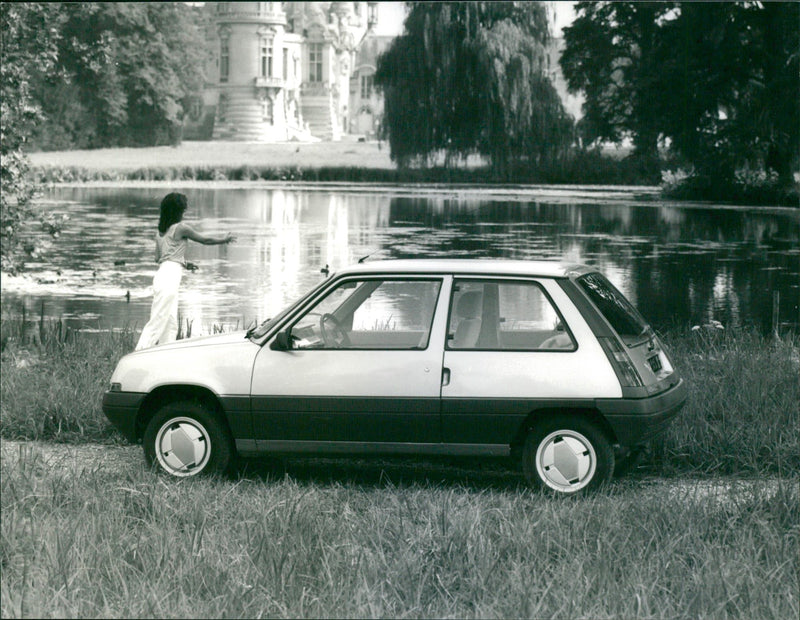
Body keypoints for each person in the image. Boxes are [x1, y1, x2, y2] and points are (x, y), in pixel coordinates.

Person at [135, 192, 236, 350]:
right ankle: (137, 356)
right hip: (169, 277)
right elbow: (205, 240)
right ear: (177, 211)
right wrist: (224, 239)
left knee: (171, 322)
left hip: (164, 274)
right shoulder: (181, 228)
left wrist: (184, 263)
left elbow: (159, 258)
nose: (185, 212)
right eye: (183, 209)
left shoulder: (160, 232)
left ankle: (164, 356)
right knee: (158, 320)